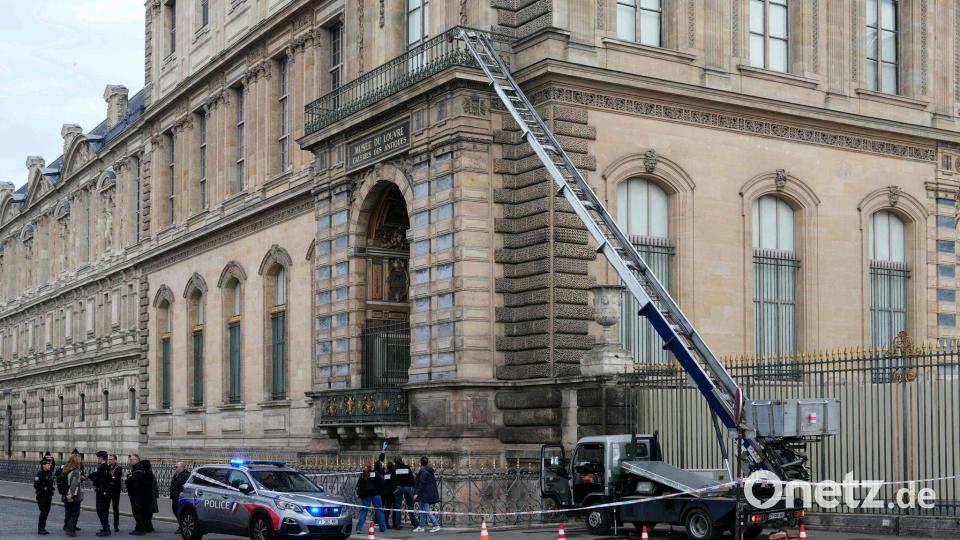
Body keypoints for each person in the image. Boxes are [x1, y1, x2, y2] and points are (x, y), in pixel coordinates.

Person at [355, 463, 388, 533]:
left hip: (366, 496)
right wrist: (381, 491)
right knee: (379, 511)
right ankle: (383, 528)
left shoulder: (363, 475)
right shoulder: (376, 474)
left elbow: (359, 486)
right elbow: (382, 483)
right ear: (371, 467)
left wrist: (360, 495)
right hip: (376, 494)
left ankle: (358, 529)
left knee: (364, 511)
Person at [87, 450, 113, 536]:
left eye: (98, 458)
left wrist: (90, 477)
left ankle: (106, 529)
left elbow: (97, 477)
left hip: (102, 492)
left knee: (101, 510)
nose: (97, 459)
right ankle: (106, 527)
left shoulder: (102, 468)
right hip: (106, 492)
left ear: (101, 458)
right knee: (104, 510)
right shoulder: (107, 466)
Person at [413, 457, 440, 533]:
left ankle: (436, 525)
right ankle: (421, 526)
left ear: (420, 463)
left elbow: (421, 484)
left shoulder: (424, 472)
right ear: (427, 462)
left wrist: (416, 493)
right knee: (422, 510)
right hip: (426, 494)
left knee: (426, 510)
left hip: (424, 494)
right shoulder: (428, 471)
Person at [125, 454, 150, 535]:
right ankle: (138, 527)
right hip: (135, 493)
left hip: (137, 494)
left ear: (136, 460)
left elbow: (136, 479)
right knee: (136, 511)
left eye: (132, 459)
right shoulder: (136, 468)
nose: (130, 461)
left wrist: (129, 479)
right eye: (130, 459)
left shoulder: (138, 468)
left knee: (137, 512)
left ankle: (140, 529)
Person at [393, 457, 419, 530]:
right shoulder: (407, 468)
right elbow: (412, 478)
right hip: (407, 487)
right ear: (402, 461)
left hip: (398, 488)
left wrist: (394, 488)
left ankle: (397, 525)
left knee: (398, 507)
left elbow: (393, 479)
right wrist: (414, 488)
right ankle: (415, 523)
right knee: (410, 506)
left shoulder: (395, 469)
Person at [62, 454, 84, 537]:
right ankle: (70, 530)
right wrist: (71, 495)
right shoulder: (76, 471)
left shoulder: (66, 469)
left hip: (65, 494)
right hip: (72, 496)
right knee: (75, 513)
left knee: (69, 512)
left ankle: (67, 527)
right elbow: (74, 484)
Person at [34, 458, 55, 535]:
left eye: (49, 464)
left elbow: (50, 483)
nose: (49, 465)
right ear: (43, 465)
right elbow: (36, 485)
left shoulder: (49, 473)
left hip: (48, 495)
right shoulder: (40, 474)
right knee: (43, 512)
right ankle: (40, 528)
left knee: (46, 512)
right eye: (48, 464)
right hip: (42, 496)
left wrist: (51, 489)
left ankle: (43, 527)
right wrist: (43, 488)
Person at [169, 462, 191, 534]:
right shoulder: (177, 474)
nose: (175, 468)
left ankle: (181, 527)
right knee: (175, 511)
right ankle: (181, 525)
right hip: (174, 497)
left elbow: (185, 487)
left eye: (176, 467)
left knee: (180, 512)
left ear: (182, 467)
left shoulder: (186, 475)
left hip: (180, 497)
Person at [107, 454, 123, 533]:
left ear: (115, 460)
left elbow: (117, 479)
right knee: (105, 508)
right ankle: (106, 526)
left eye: (111, 459)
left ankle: (116, 526)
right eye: (109, 459)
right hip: (108, 491)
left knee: (115, 508)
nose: (109, 461)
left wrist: (110, 479)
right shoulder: (106, 467)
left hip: (115, 491)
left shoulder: (119, 468)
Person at [144, 459, 158, 533]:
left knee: (148, 512)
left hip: (149, 496)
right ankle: (149, 526)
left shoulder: (148, 474)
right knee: (149, 512)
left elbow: (154, 486)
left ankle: (148, 526)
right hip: (151, 496)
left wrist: (155, 494)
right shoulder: (149, 474)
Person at [382, 461, 396, 529]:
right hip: (392, 493)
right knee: (395, 508)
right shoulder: (393, 473)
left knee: (387, 508)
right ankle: (395, 523)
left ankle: (385, 523)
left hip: (386, 493)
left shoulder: (386, 474)